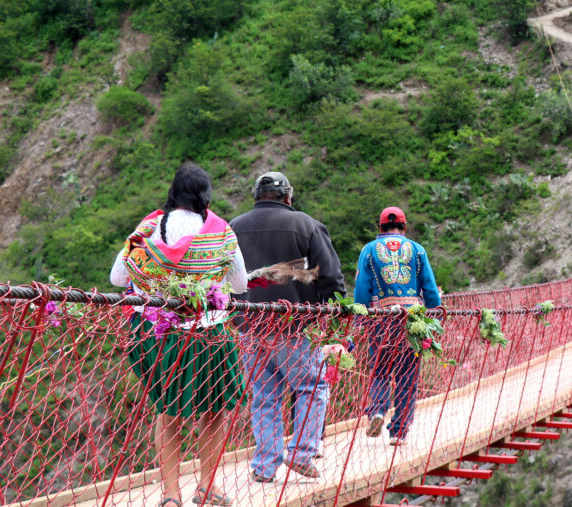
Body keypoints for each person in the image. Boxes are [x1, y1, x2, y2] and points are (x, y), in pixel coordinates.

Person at [110, 164, 248, 507]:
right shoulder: (221, 232)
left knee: (167, 411)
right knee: (214, 410)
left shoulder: (149, 229)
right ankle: (207, 487)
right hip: (210, 333)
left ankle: (171, 496)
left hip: (158, 335)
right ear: (206, 196)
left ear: (173, 191)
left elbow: (116, 277)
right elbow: (240, 284)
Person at [230, 172, 346, 483]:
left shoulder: (234, 228)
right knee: (311, 386)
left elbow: (222, 277)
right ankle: (301, 452)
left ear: (256, 195)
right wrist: (329, 311)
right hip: (295, 326)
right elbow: (332, 278)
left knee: (264, 396)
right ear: (288, 197)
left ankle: (265, 466)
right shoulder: (307, 225)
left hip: (248, 327)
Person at [354, 207, 441, 445]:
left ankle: (378, 411)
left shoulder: (369, 251)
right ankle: (399, 431)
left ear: (380, 227)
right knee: (407, 376)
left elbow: (361, 287)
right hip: (412, 322)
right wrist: (436, 318)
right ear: (404, 226)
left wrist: (359, 319)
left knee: (381, 370)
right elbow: (430, 288)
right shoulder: (417, 250)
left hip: (381, 320)